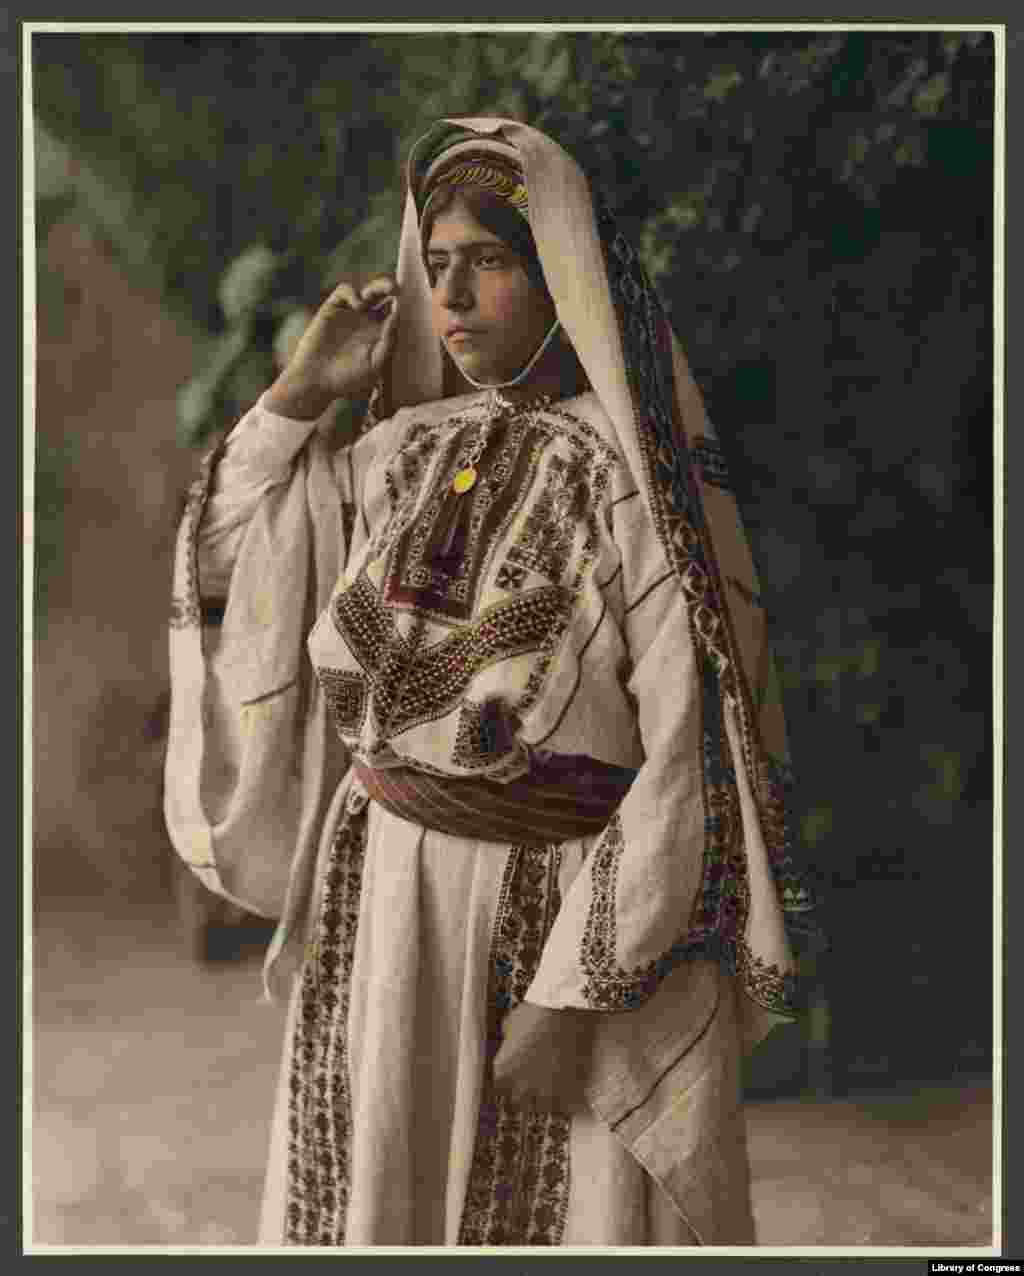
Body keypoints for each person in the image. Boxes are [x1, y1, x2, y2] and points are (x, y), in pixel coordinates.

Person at [164, 117, 819, 1247]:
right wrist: (297, 393)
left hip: (557, 920)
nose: (455, 295)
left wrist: (573, 995)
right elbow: (225, 563)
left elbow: (686, 767)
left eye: (491, 260)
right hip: (378, 907)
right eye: (436, 266)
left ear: (562, 274)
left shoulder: (637, 488)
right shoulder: (393, 453)